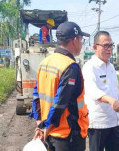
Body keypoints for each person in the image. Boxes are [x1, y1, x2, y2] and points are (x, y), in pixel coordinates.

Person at [30, 21, 90, 151]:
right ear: (74, 40)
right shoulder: (70, 67)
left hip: (50, 132)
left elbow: (36, 96)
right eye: (81, 40)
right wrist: (46, 126)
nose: (81, 44)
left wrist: (40, 124)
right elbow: (60, 103)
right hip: (68, 134)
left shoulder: (44, 62)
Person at [82, 31, 119, 151]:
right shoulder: (90, 67)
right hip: (98, 123)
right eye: (105, 45)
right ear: (95, 47)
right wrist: (111, 101)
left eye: (110, 45)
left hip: (113, 121)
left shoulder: (111, 67)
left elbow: (115, 91)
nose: (109, 49)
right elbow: (92, 90)